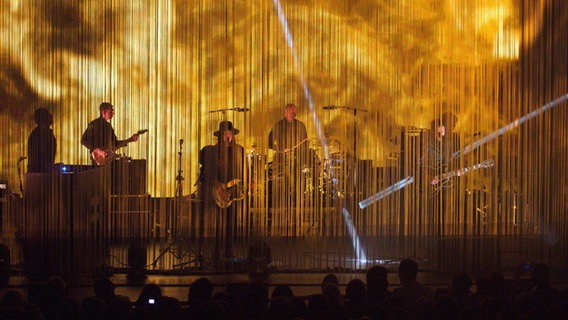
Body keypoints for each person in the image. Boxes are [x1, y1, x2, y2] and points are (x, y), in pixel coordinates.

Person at [198, 121, 245, 261]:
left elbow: (243, 171)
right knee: (219, 224)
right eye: (225, 134)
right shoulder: (211, 151)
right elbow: (206, 173)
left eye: (229, 133)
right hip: (216, 193)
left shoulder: (238, 150)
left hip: (233, 192)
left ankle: (229, 252)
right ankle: (217, 253)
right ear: (220, 136)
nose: (228, 136)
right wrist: (218, 187)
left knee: (231, 223)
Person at [267, 103, 309, 235]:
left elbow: (305, 143)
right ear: (285, 113)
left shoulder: (301, 126)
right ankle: (286, 213)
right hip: (282, 160)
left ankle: (296, 213)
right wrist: (281, 150)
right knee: (288, 185)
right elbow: (269, 143)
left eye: (294, 113)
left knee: (299, 186)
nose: (292, 115)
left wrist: (304, 159)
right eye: (290, 113)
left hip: (298, 160)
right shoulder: (278, 125)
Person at [27, 107, 56, 173]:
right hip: (39, 175)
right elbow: (37, 160)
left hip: (42, 174)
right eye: (49, 115)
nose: (51, 117)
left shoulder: (48, 133)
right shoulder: (36, 136)